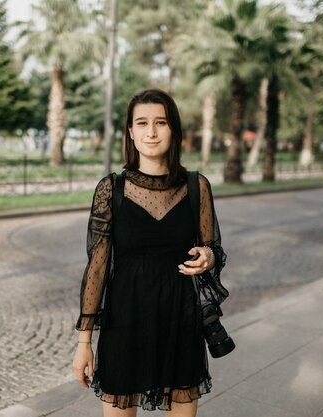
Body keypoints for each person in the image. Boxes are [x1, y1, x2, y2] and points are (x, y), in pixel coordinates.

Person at [72, 88, 228, 417]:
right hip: (123, 321)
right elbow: (96, 269)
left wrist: (208, 257)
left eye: (161, 122)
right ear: (130, 131)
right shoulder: (111, 189)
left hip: (181, 320)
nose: (151, 132)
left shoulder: (196, 186)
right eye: (142, 123)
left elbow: (213, 249)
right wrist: (84, 343)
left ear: (174, 129)